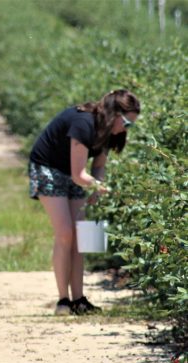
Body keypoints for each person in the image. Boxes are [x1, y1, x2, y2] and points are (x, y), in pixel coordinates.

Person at [28, 89, 140, 316]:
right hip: (47, 168)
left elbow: (98, 166)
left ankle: (79, 299)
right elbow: (80, 175)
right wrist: (100, 187)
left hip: (72, 172)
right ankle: (63, 301)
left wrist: (98, 185)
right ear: (114, 114)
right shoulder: (83, 123)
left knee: (82, 234)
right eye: (127, 121)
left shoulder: (110, 131)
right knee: (65, 233)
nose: (126, 128)